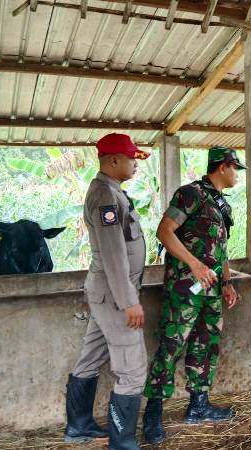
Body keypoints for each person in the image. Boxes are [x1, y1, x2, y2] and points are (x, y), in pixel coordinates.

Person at [142, 146, 243, 444]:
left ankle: (199, 405)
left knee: (206, 343)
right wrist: (195, 265)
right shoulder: (191, 194)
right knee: (172, 345)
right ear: (223, 167)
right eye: (235, 168)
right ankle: (153, 413)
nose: (237, 174)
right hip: (186, 287)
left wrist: (227, 282)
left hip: (211, 290)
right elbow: (164, 232)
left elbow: (221, 251)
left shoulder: (222, 206)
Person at [65, 133, 150, 450]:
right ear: (113, 160)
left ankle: (78, 426)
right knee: (132, 369)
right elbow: (114, 254)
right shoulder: (105, 196)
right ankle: (122, 442)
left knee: (91, 358)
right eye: (131, 159)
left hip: (106, 293)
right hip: (116, 295)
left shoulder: (112, 192)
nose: (134, 165)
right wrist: (129, 301)